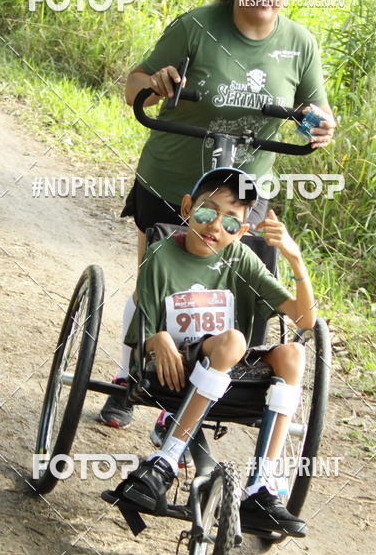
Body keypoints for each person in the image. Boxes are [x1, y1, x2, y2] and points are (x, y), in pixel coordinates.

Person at [99, 0, 335, 429]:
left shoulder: (299, 44)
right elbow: (132, 85)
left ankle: (193, 397)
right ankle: (129, 377)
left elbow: (318, 112)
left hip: (244, 194)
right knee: (162, 280)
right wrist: (156, 84)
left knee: (233, 293)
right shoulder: (196, 26)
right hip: (173, 178)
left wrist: (319, 124)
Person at [106, 167, 315, 535]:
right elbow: (144, 322)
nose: (215, 227)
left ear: (242, 232)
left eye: (231, 224)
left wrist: (294, 259)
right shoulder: (161, 254)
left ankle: (261, 485)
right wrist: (158, 339)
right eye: (206, 213)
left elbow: (304, 318)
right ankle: (167, 458)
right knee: (234, 339)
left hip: (225, 367)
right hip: (171, 368)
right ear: (187, 207)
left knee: (293, 353)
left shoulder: (241, 260)